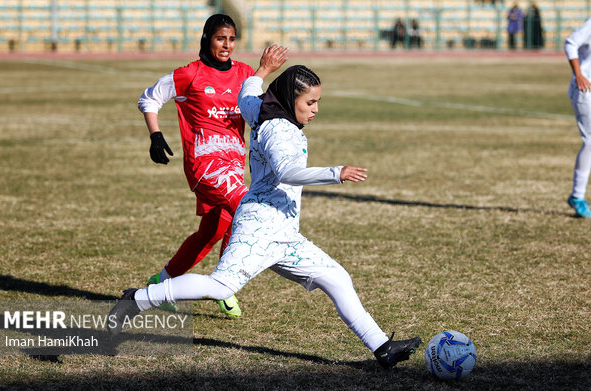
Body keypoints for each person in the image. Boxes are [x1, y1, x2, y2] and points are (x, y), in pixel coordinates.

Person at [110, 46, 422, 369]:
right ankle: (137, 300)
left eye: (318, 102)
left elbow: (247, 94)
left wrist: (262, 70)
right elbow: (287, 171)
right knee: (220, 287)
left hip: (284, 232)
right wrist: (336, 173)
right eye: (310, 103)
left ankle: (382, 348)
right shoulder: (280, 131)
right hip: (259, 227)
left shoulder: (260, 108)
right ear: (291, 99)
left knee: (337, 277)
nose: (315, 110)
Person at [136, 14, 255, 317]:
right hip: (204, 165)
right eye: (220, 38)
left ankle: (161, 283)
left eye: (231, 38)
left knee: (213, 232)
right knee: (248, 209)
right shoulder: (191, 74)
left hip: (233, 165)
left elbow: (257, 110)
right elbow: (149, 98)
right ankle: (223, 284)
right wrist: (156, 135)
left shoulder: (244, 72)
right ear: (206, 39)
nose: (227, 45)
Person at [565, 17, 591, 218]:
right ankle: (577, 196)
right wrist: (579, 74)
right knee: (590, 142)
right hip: (585, 90)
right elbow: (571, 43)